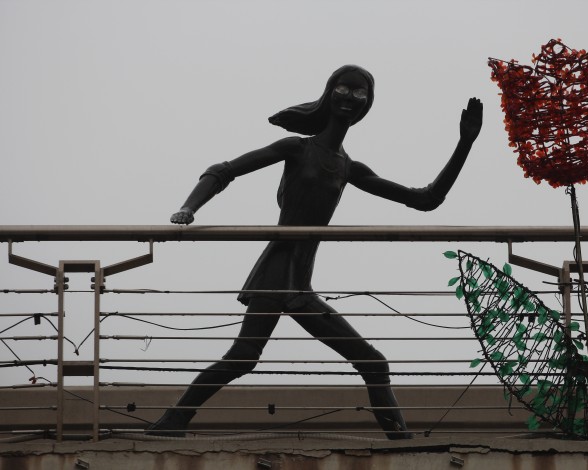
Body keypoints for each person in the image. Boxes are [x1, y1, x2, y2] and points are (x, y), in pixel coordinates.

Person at [148, 65, 483, 439]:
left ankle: (401, 442)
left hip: (300, 283)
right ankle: (174, 421)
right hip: (275, 275)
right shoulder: (297, 148)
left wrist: (465, 143)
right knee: (247, 358)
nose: (350, 98)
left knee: (367, 363)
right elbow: (223, 170)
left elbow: (425, 199)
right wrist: (189, 208)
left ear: (367, 104)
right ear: (329, 93)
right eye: (344, 89)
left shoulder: (349, 168)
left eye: (360, 93)